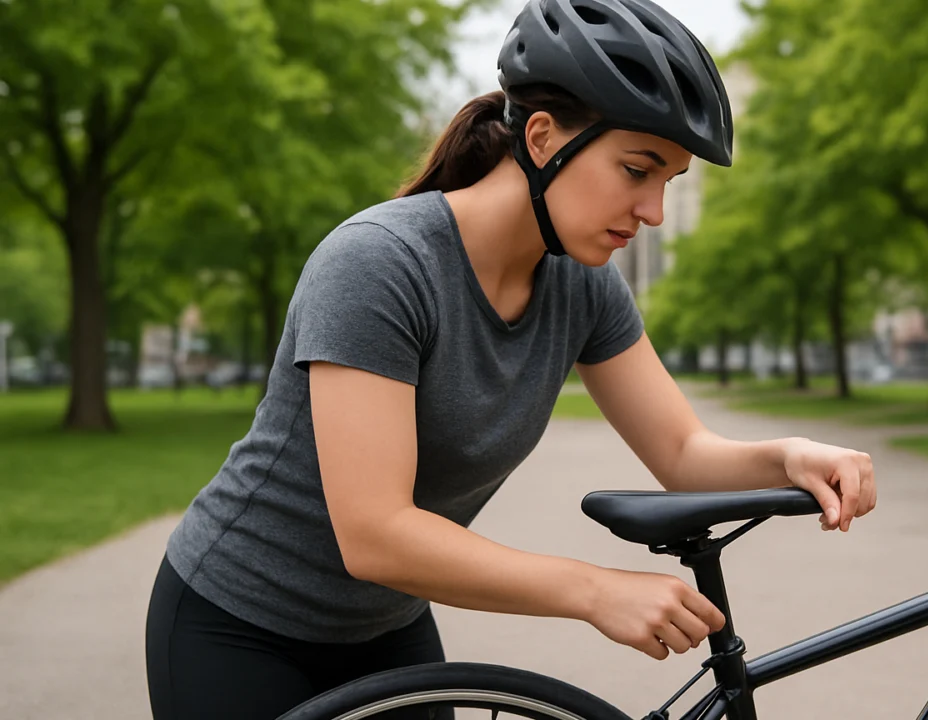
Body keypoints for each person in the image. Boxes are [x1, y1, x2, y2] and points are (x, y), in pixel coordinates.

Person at [144, 1, 877, 718]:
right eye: (635, 169)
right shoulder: (378, 265)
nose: (653, 210)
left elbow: (683, 451)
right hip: (236, 626)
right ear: (541, 137)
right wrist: (593, 590)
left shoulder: (585, 287)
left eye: (668, 183)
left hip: (384, 630)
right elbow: (374, 533)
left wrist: (789, 454)